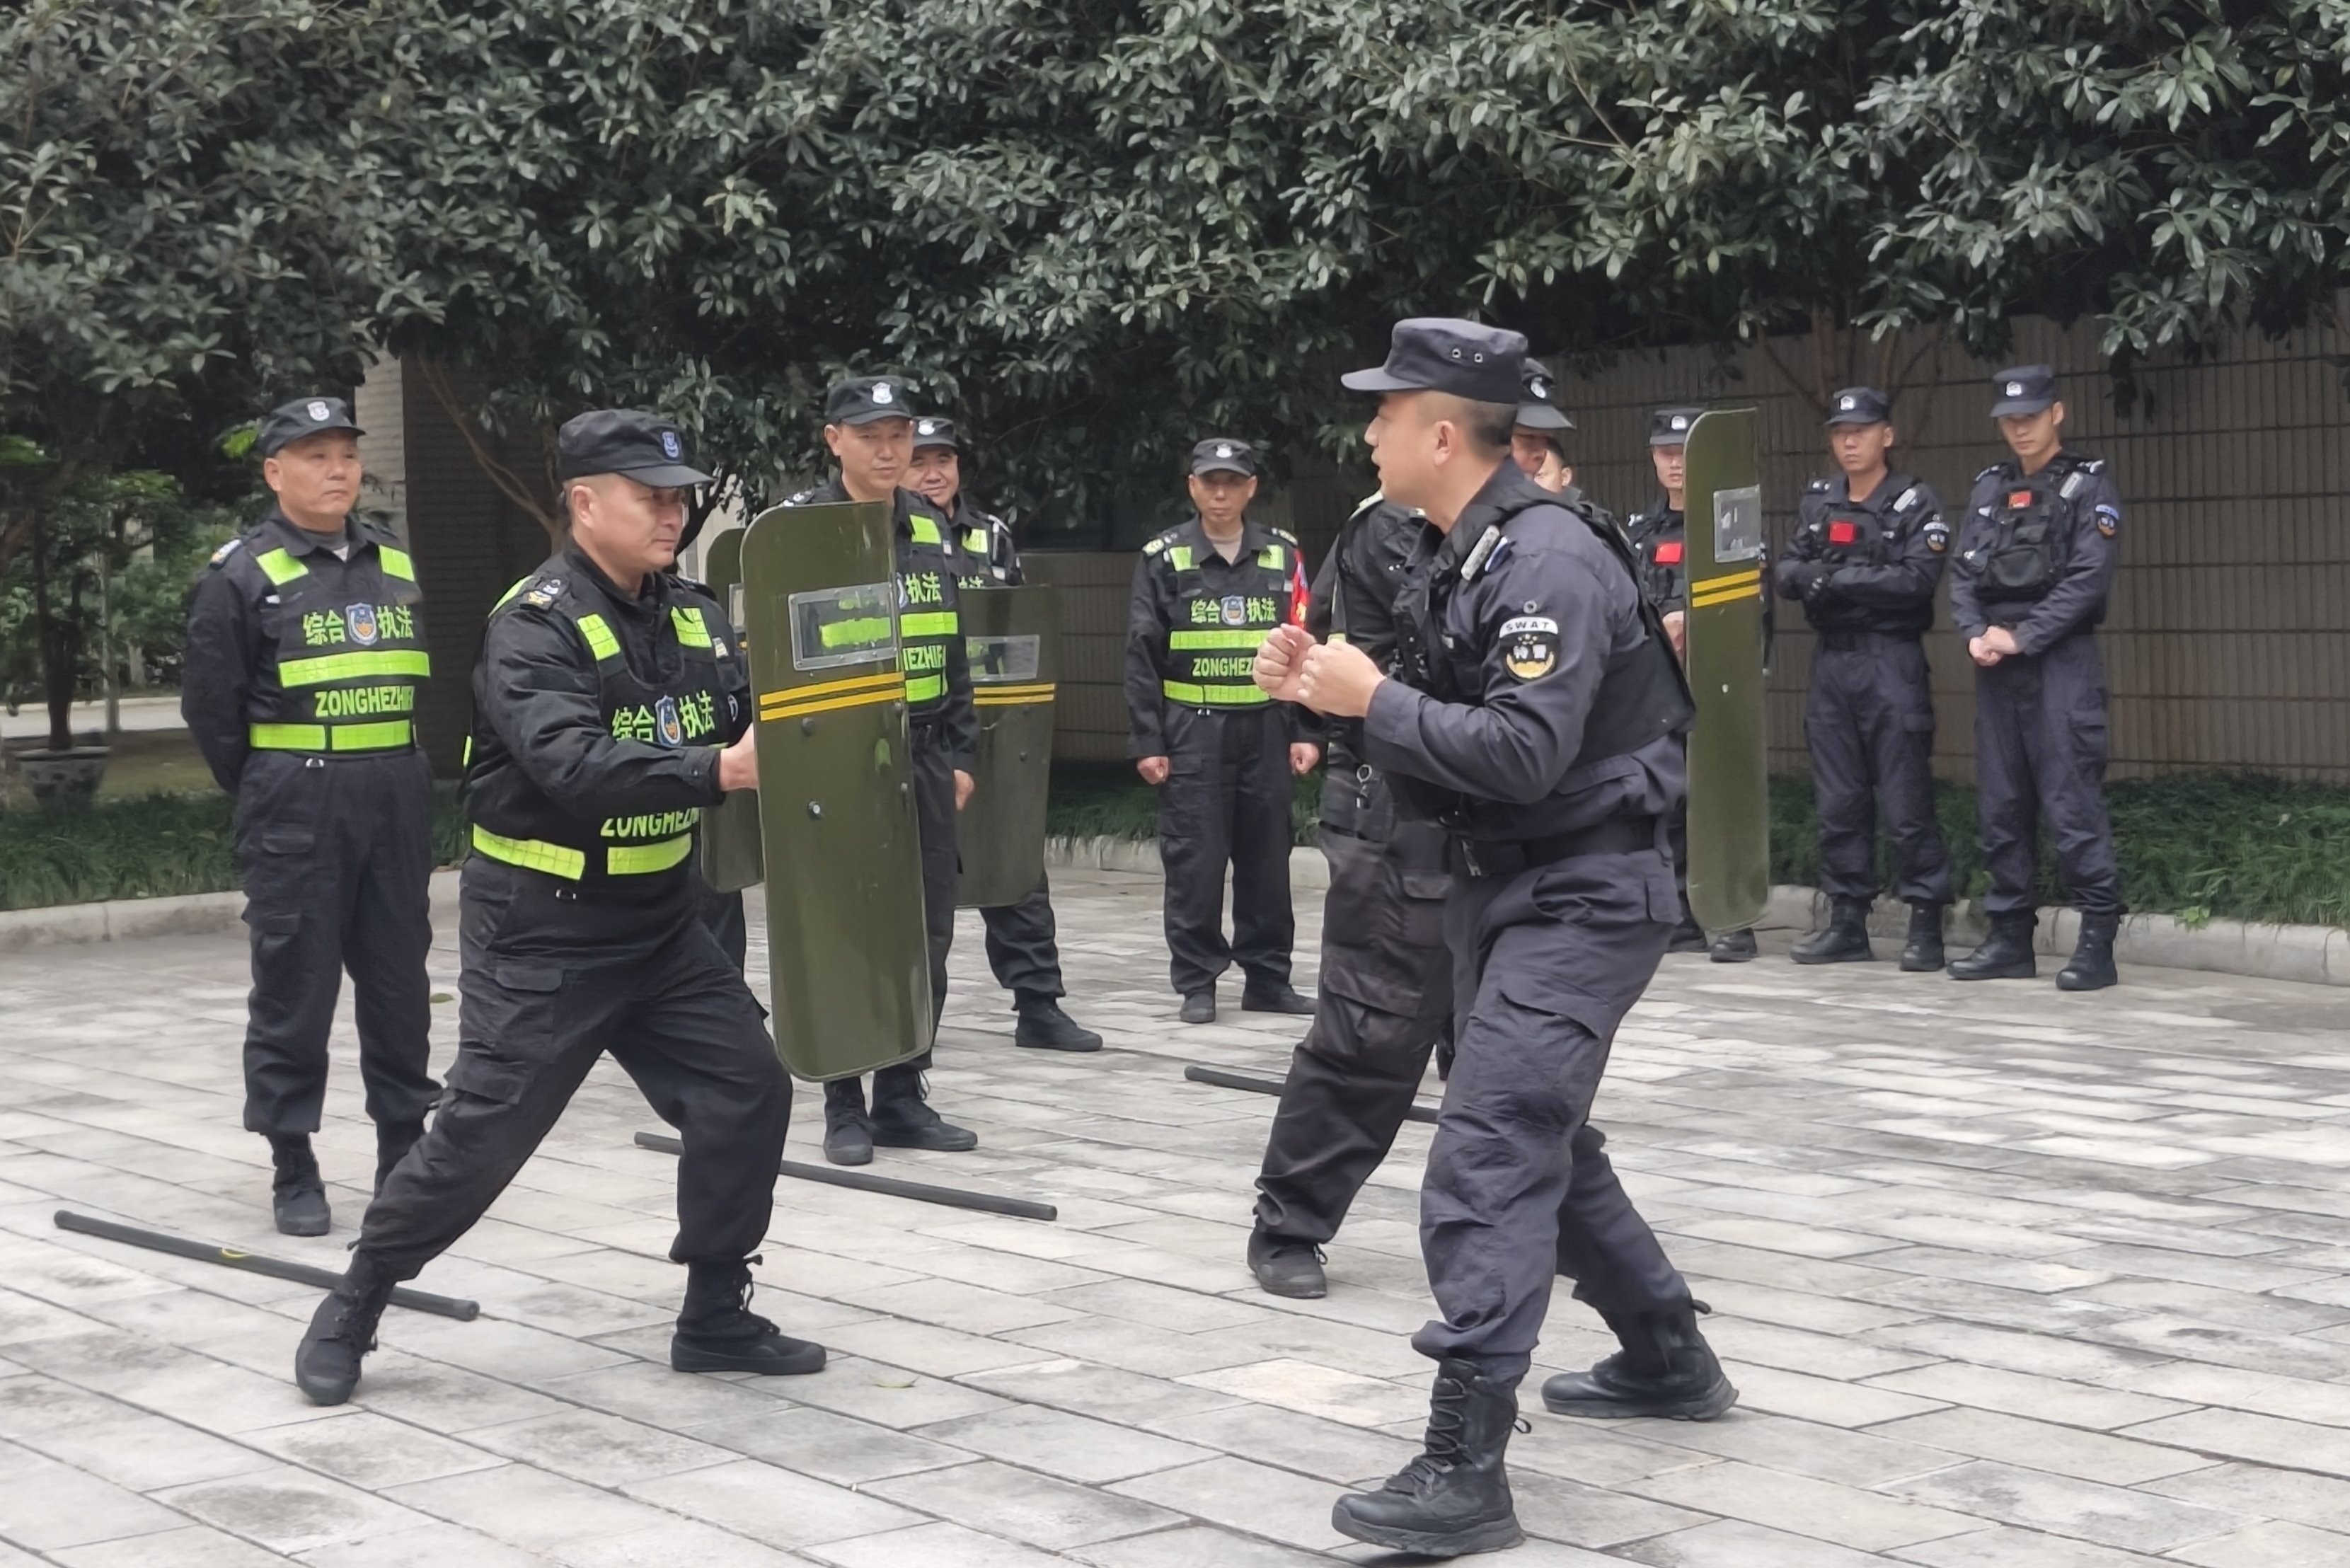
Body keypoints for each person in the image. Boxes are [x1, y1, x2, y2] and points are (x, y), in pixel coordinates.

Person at [1259, 320, 1735, 1557]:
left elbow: (1523, 754)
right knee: (1541, 1136)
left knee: (1488, 1147)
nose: (1366, 433)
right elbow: (1443, 732)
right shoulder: (1455, 551)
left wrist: (1372, 696)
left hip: (1583, 892)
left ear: (1439, 434)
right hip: (1505, 888)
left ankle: (1464, 1465)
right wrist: (1326, 695)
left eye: (1382, 413)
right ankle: (1666, 1352)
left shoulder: (1546, 561)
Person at [292, 410, 822, 1406]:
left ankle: (715, 1313)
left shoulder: (697, 614)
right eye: (649, 496)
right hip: (543, 928)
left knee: (747, 1088)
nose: (672, 514)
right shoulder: (533, 625)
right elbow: (574, 765)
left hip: (660, 925)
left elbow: (754, 718)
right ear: (584, 502)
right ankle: (357, 1298)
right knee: (480, 1138)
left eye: (678, 498)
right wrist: (718, 769)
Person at [182, 396, 437, 1237]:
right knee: (296, 985)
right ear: (274, 471)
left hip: (393, 795)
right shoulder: (241, 574)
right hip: (298, 799)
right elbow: (213, 709)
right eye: (316, 456)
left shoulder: (393, 561)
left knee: (399, 985)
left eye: (347, 456)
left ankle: (404, 1149)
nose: (337, 471)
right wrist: (276, 782)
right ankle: (292, 1158)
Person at [1245, 482, 1453, 1299]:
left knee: (1518, 1047)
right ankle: (1290, 1221)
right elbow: (1358, 660)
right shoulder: (1393, 526)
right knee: (1371, 1030)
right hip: (1400, 812)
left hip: (1510, 824)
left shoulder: (1542, 532)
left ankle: (1551, 1228)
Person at [784, 377, 983, 1160]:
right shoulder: (799, 530)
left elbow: (952, 646)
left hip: (924, 757)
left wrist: (961, 753)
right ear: (834, 440)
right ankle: (843, 1102)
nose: (889, 450)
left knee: (924, 932)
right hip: (837, 761)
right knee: (846, 929)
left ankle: (902, 1093)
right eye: (870, 436)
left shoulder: (929, 526)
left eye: (899, 434)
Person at [905, 415, 1103, 1053]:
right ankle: (904, 1024)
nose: (932, 473)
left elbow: (1016, 628)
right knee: (910, 884)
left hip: (991, 725)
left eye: (942, 460)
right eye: (918, 461)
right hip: (912, 732)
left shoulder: (990, 537)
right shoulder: (883, 536)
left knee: (1014, 864)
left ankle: (1038, 1004)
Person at [1124, 439, 1318, 1024]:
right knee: (1196, 863)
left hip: (1266, 730)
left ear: (1250, 489)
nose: (1220, 493)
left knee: (1267, 861)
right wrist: (1148, 741)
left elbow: (1306, 647)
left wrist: (1307, 731)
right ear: (1192, 486)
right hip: (1193, 732)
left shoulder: (1283, 555)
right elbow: (1141, 654)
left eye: (1232, 482)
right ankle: (1197, 982)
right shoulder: (1163, 558)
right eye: (1209, 481)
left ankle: (1268, 979)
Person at [1947, 364, 2125, 990]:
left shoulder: (2086, 485)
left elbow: (2086, 579)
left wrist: (2023, 636)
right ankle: (2008, 939)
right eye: (2009, 420)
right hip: (1997, 665)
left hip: (2058, 663)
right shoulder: (1989, 487)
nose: (2019, 429)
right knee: (2001, 804)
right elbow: (1963, 572)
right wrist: (1973, 633)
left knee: (2070, 802)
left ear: (2056, 413)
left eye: (2029, 417)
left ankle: (2096, 943)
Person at [1773, 386, 1954, 969]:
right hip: (1832, 662)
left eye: (1861, 431)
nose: (1849, 442)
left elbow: (1914, 581)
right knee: (1838, 799)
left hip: (1889, 660)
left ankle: (1925, 921)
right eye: (1840, 433)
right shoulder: (1819, 501)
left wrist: (1835, 580)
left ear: (1886, 435)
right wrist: (1823, 579)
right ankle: (1847, 920)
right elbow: (1786, 570)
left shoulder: (1913, 502)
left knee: (1905, 798)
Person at [1624, 405, 1758, 963]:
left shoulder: (1731, 524)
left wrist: (1691, 622)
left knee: (1720, 797)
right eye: (1664, 453)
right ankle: (1678, 912)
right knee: (1667, 794)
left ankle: (1731, 918)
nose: (1675, 464)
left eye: (1683, 453)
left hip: (1718, 681)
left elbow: (1750, 599)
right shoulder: (1639, 530)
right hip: (1660, 681)